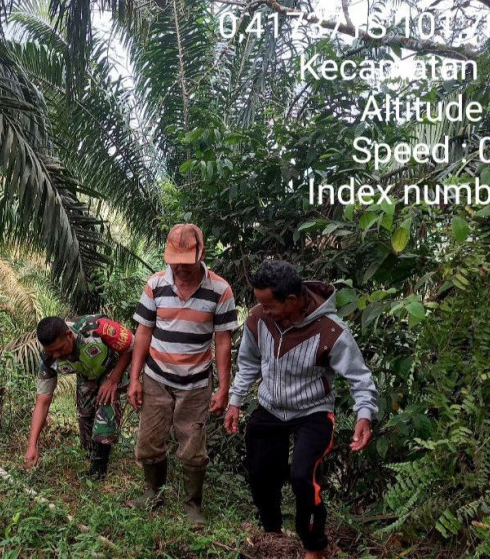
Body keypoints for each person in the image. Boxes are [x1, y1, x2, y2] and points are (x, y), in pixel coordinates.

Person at [224, 259, 378, 559]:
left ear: (292, 300)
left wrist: (364, 416)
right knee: (260, 471)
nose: (262, 311)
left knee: (303, 476)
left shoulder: (331, 331)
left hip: (313, 411)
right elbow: (248, 364)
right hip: (270, 405)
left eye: (269, 305)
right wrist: (235, 400)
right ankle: (272, 533)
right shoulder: (259, 319)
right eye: (260, 304)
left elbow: (360, 377)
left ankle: (314, 546)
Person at [127, 223, 238, 526]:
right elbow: (143, 331)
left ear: (201, 253)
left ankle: (192, 504)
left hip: (196, 381)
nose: (180, 268)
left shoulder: (220, 290)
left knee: (192, 446)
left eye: (187, 261)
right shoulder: (155, 284)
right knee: (149, 440)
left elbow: (223, 340)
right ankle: (153, 491)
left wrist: (224, 387)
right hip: (157, 376)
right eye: (175, 260)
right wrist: (135, 378)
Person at [24, 315, 134, 480]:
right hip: (87, 373)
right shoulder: (48, 359)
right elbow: (43, 401)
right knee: (85, 417)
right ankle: (91, 456)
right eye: (50, 351)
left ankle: (99, 469)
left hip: (114, 366)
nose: (56, 355)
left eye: (60, 349)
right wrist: (32, 445)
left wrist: (113, 380)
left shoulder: (96, 328)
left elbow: (132, 345)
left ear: (69, 335)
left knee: (105, 405)